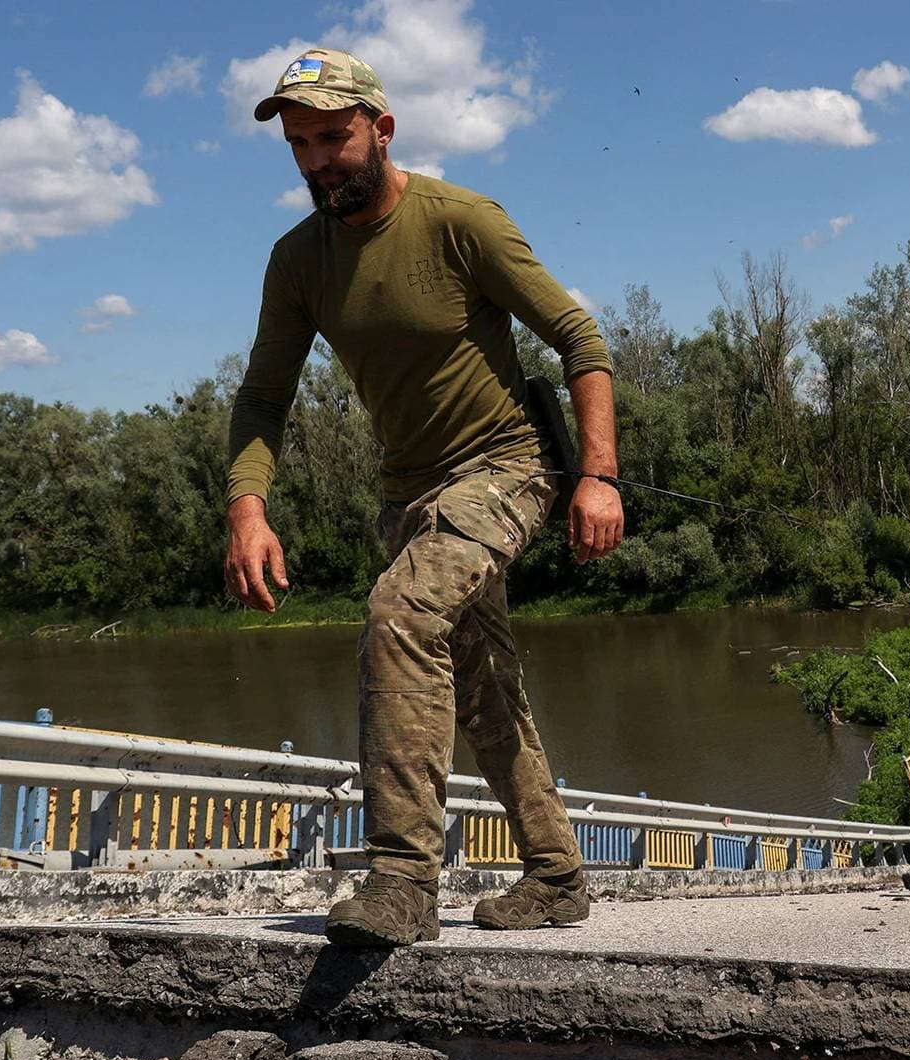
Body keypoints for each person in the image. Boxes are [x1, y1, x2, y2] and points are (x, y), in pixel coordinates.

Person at [223, 47, 624, 947]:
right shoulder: (297, 262)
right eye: (300, 144)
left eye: (334, 136)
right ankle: (557, 874)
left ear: (382, 128)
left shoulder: (460, 220)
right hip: (410, 493)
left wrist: (596, 478)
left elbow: (580, 339)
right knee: (483, 686)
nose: (318, 159)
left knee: (400, 613)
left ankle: (402, 880)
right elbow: (263, 396)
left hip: (510, 465)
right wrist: (247, 507)